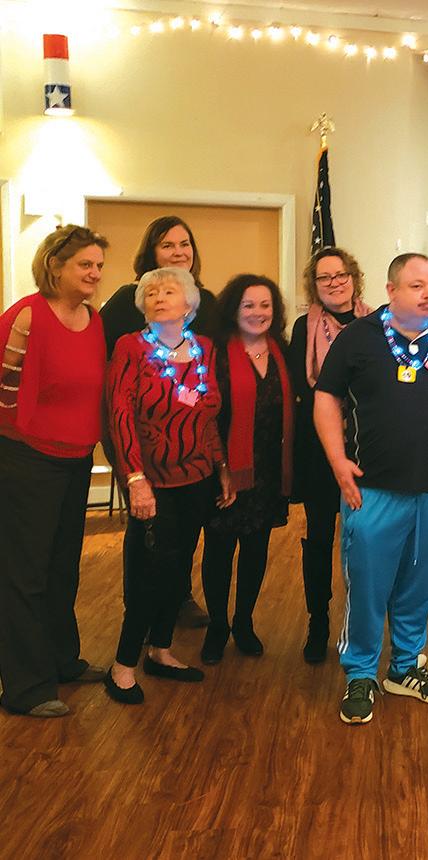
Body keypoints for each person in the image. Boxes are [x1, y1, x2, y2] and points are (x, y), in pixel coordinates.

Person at [314, 253, 428, 725]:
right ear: (391, 291)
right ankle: (360, 674)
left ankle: (405, 667)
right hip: (372, 492)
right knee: (368, 589)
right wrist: (338, 462)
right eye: (417, 286)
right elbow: (326, 397)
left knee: (419, 587)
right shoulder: (359, 337)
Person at [105, 267, 233, 704]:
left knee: (178, 570)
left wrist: (221, 465)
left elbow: (208, 414)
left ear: (189, 303)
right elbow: (120, 415)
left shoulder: (204, 349)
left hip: (196, 478)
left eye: (169, 290)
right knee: (149, 574)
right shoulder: (131, 347)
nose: (159, 297)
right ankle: (122, 665)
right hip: (152, 481)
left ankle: (160, 650)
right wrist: (135, 479)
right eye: (151, 292)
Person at [0, 225, 109, 717]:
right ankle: (26, 687)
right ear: (55, 266)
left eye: (99, 265)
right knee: (25, 573)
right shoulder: (27, 315)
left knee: (63, 566)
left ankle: (62, 659)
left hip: (75, 459)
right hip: (27, 460)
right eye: (85, 264)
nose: (94, 273)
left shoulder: (94, 319)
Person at [100, 215, 218, 628]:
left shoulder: (205, 303)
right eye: (167, 244)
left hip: (190, 445)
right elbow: (106, 371)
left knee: (184, 528)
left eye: (185, 244)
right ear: (151, 252)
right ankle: (140, 612)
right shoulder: (127, 302)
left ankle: (177, 599)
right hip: (138, 443)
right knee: (147, 528)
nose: (178, 251)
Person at [200, 275, 294, 665]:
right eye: (249, 305)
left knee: (256, 548)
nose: (258, 312)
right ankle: (217, 625)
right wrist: (222, 467)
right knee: (219, 550)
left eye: (265, 305)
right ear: (233, 309)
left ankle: (243, 622)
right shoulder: (215, 353)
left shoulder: (282, 351)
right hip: (225, 470)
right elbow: (206, 416)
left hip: (268, 470)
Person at [287, 246, 373, 663]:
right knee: (319, 538)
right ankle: (317, 621)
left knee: (364, 540)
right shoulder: (303, 327)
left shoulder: (377, 323)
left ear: (353, 278)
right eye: (324, 277)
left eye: (341, 275)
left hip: (366, 449)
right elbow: (298, 389)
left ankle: (360, 624)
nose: (334, 283)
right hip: (318, 450)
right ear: (314, 285)